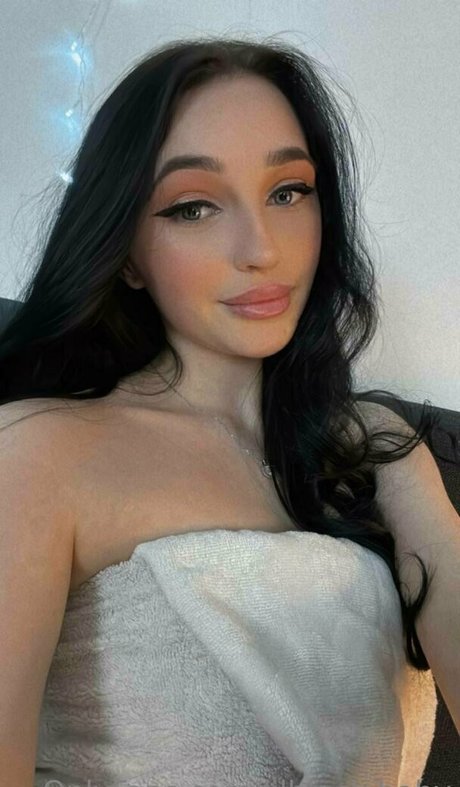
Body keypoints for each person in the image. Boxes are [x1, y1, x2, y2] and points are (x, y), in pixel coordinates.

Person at [0, 35, 458, 786]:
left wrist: (401, 472)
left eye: (289, 192)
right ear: (126, 251)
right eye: (194, 207)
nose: (261, 248)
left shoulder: (372, 448)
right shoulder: (35, 454)